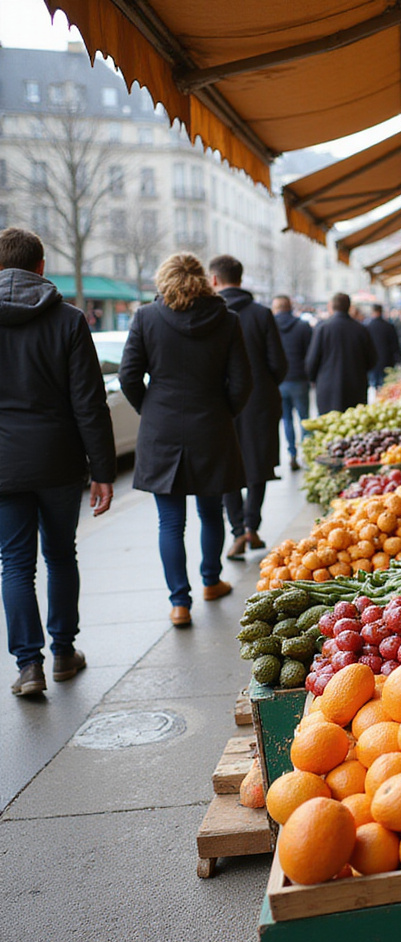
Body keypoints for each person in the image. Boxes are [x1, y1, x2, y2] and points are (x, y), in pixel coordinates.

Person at [0, 227, 116, 697]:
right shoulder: (68, 320)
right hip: (58, 459)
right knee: (61, 554)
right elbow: (89, 402)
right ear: (41, 266)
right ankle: (64, 652)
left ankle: (29, 666)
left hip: (4, 464)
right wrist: (103, 470)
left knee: (14, 563)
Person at [119, 253, 252, 627]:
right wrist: (223, 411)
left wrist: (150, 409)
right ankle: (211, 582)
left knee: (170, 522)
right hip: (211, 425)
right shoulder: (226, 320)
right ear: (204, 280)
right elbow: (242, 382)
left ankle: (179, 603)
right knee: (211, 511)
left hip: (161, 428)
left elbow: (129, 376)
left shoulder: (145, 318)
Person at [207, 256, 287, 560]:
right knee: (258, 464)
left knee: (227, 466)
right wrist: (264, 383)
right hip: (259, 401)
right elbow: (278, 363)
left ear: (214, 280)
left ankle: (238, 529)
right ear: (241, 278)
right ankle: (252, 526)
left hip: (221, 403)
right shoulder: (262, 314)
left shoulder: (209, 314)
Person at [305, 292, 377, 413]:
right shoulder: (360, 329)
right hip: (355, 386)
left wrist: (313, 379)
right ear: (349, 307)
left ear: (331, 306)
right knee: (354, 422)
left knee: (329, 422)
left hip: (328, 387)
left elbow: (312, 361)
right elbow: (372, 359)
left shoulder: (322, 329)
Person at [272, 294, 313, 471]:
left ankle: (292, 454)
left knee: (287, 420)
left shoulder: (271, 326)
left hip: (280, 381)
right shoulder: (302, 326)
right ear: (290, 306)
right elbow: (310, 353)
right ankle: (308, 454)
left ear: (275, 308)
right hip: (300, 379)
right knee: (305, 419)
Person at [364, 302, 401, 390]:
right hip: (387, 360)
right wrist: (398, 359)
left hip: (373, 362)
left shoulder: (367, 327)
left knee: (374, 384)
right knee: (387, 385)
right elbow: (395, 345)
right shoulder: (389, 326)